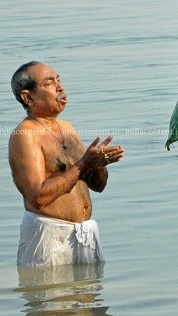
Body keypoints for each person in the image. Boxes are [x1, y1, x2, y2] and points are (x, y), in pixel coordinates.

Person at [9, 61, 125, 267]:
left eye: (59, 80)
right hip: (49, 236)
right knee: (50, 296)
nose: (60, 87)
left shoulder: (67, 127)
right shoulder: (25, 134)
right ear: (28, 97)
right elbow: (38, 197)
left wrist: (98, 163)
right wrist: (83, 164)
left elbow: (98, 186)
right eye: (49, 83)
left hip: (85, 233)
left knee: (91, 297)